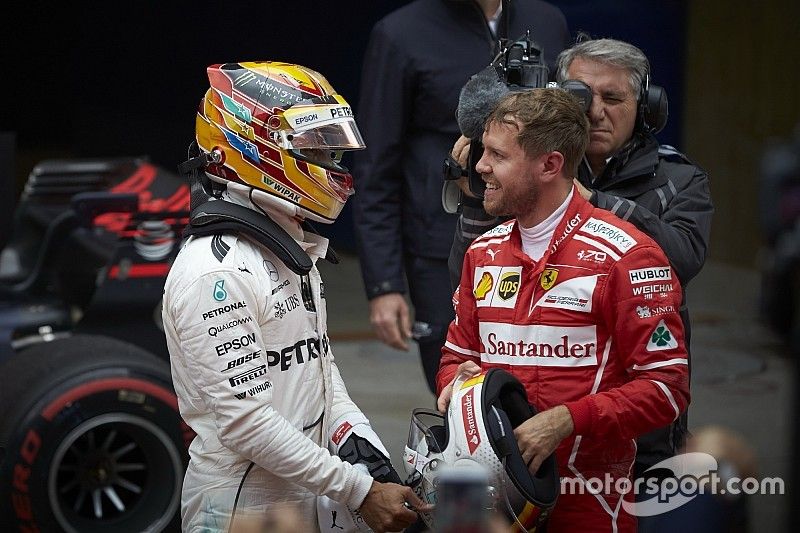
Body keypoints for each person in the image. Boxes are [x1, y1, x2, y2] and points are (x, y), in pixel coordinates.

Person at [163, 61, 425, 533]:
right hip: (239, 505)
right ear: (252, 147)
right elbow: (247, 424)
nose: (333, 166)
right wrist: (359, 490)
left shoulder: (290, 248)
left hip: (305, 489)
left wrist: (361, 445)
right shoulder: (215, 272)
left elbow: (317, 366)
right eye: (316, 148)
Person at [448, 37, 713, 484]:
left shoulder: (679, 178)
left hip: (630, 433)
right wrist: (481, 196)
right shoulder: (522, 170)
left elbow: (683, 258)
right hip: (514, 435)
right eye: (580, 96)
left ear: (646, 106)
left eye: (613, 98)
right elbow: (469, 278)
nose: (594, 112)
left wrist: (589, 202)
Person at [351, 0, 570, 394]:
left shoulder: (547, 21)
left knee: (548, 380)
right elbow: (375, 167)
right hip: (442, 245)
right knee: (459, 392)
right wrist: (384, 284)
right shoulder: (401, 33)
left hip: (543, 237)